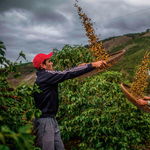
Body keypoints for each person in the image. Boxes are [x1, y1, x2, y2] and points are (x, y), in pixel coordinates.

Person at [32, 52, 107, 150]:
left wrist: (79, 67)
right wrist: (92, 65)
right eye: (49, 62)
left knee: (59, 147)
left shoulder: (42, 75)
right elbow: (67, 73)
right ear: (42, 65)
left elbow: (66, 72)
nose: (52, 63)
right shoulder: (46, 75)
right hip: (45, 121)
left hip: (50, 118)